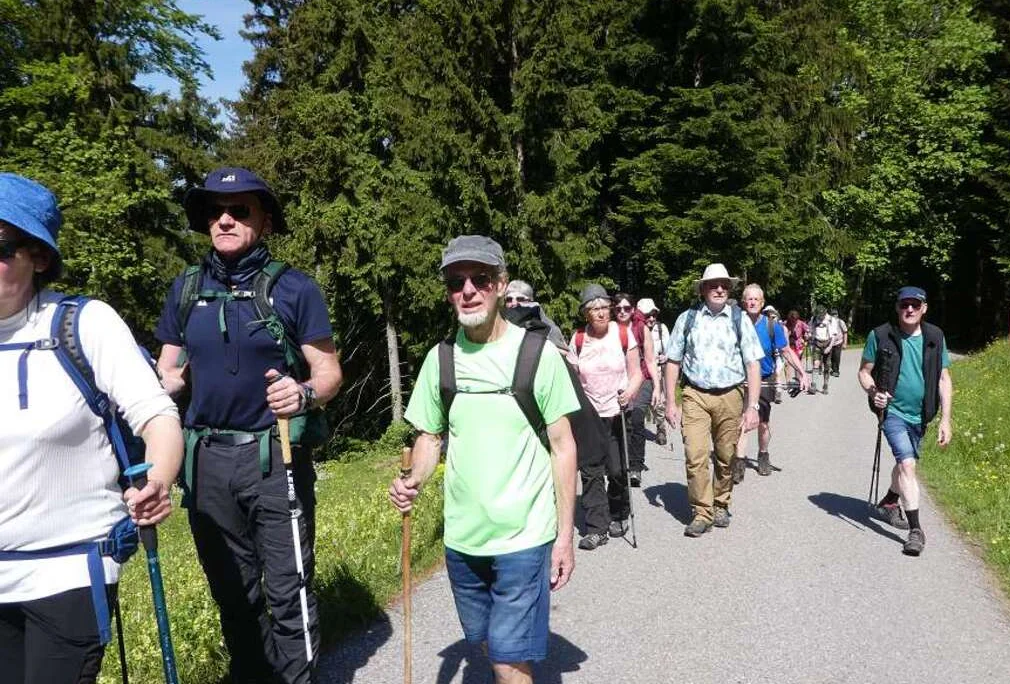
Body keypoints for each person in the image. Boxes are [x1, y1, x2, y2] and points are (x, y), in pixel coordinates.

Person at [155, 167, 343, 684]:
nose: (225, 219)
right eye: (215, 211)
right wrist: (166, 384)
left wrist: (301, 393)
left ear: (262, 219)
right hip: (206, 460)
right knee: (233, 594)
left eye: (239, 210)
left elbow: (328, 372)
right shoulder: (188, 287)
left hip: (273, 456)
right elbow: (166, 370)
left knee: (288, 589)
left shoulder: (293, 288)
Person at [0, 173, 183, 682]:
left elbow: (158, 418)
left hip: (69, 572)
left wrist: (158, 481)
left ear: (37, 257)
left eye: (0, 244)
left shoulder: (83, 325)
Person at [389, 236, 578, 683]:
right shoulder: (442, 359)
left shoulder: (538, 354)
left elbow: (564, 445)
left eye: (480, 279)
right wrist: (413, 479)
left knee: (507, 659)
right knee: (490, 643)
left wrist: (564, 536)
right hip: (463, 539)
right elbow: (430, 435)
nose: (468, 290)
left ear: (500, 284)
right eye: (457, 282)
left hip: (524, 536)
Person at [664, 263, 763, 537]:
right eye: (713, 285)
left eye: (724, 285)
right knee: (695, 455)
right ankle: (701, 512)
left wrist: (752, 406)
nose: (719, 289)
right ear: (703, 289)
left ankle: (721, 503)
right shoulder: (688, 319)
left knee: (726, 456)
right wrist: (671, 402)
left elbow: (753, 364)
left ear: (728, 289)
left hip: (731, 395)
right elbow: (672, 361)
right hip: (695, 394)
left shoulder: (739, 318)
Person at [858, 286, 953, 557]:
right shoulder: (880, 335)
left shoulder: (935, 336)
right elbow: (864, 372)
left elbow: (944, 379)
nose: (909, 309)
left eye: (915, 304)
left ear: (924, 308)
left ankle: (889, 501)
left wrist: (946, 419)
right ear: (897, 307)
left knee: (905, 463)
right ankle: (916, 531)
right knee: (907, 464)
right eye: (904, 305)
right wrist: (874, 391)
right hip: (892, 413)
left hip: (922, 414)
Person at [568, 284, 642, 548]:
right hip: (589, 416)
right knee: (591, 472)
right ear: (586, 313)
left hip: (617, 412)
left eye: (604, 307)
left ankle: (619, 513)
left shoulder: (623, 334)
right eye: (594, 309)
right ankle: (596, 527)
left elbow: (637, 373)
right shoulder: (577, 339)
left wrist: (630, 392)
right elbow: (574, 380)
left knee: (618, 470)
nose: (601, 313)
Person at [735, 287, 810, 480]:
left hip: (764, 379)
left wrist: (802, 373)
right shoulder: (735, 323)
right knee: (742, 422)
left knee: (763, 423)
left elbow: (785, 350)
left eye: (756, 299)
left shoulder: (771, 326)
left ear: (761, 303)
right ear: (744, 302)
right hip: (739, 379)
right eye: (749, 299)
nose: (752, 302)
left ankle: (763, 454)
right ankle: (739, 462)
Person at [613, 292, 660, 484]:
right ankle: (620, 462)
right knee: (620, 423)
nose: (622, 312)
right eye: (618, 309)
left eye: (626, 308)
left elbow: (650, 360)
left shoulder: (641, 328)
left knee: (637, 419)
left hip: (642, 378)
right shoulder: (610, 329)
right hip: (618, 379)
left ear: (633, 310)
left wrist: (657, 387)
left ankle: (635, 466)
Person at [638, 298, 671, 446]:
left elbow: (670, 350)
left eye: (654, 315)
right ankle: (635, 429)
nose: (651, 318)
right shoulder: (634, 329)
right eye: (648, 315)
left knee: (659, 403)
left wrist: (665, 357)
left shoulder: (661, 329)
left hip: (657, 371)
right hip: (639, 374)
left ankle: (661, 428)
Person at [829, 307, 849, 376]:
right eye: (833, 314)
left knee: (837, 357)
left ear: (837, 315)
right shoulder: (828, 322)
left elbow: (845, 332)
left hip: (838, 342)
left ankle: (836, 371)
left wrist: (845, 343)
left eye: (835, 314)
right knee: (830, 357)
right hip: (830, 342)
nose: (834, 315)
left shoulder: (841, 322)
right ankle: (831, 368)